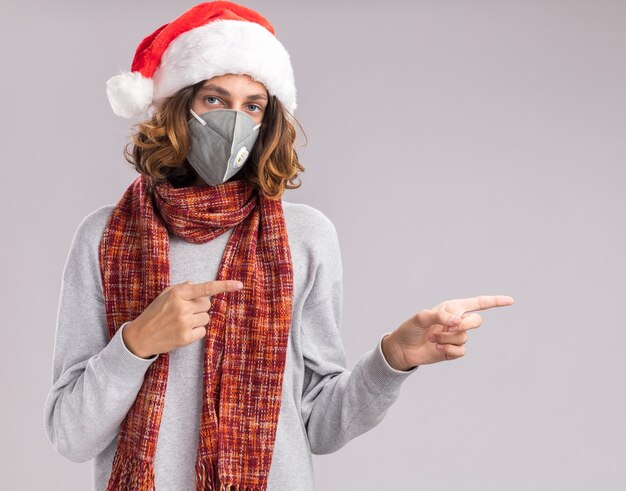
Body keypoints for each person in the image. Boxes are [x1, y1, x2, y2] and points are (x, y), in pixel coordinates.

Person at [43, 2, 515, 490]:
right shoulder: (103, 237)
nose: (234, 120)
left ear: (268, 120)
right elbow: (70, 434)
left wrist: (393, 358)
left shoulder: (305, 237)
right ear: (176, 106)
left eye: (253, 105)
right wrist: (137, 342)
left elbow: (318, 426)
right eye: (213, 99)